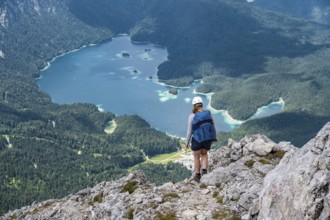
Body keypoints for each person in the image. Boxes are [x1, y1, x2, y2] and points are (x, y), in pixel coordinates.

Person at [185, 96, 217, 182]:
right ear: (202, 104)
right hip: (207, 138)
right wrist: (214, 137)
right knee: (204, 154)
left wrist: (186, 143)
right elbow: (213, 126)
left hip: (197, 140)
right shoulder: (208, 113)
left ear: (194, 105)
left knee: (196, 156)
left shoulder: (192, 116)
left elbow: (189, 131)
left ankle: (198, 175)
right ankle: (204, 170)